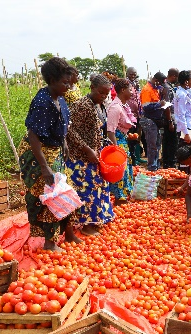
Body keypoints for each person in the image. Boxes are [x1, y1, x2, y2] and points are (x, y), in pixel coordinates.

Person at [18, 57, 81, 251]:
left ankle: (69, 234)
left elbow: (60, 125)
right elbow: (33, 135)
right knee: (51, 196)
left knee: (67, 191)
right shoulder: (42, 102)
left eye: (69, 82)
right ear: (52, 80)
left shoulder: (59, 97)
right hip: (39, 154)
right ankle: (50, 242)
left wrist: (64, 144)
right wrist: (44, 167)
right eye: (65, 82)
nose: (68, 86)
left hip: (55, 150)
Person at [66, 74, 115, 236]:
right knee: (87, 190)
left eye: (106, 94)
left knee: (97, 188)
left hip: (93, 155)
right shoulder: (82, 105)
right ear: (92, 88)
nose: (103, 97)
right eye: (101, 93)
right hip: (80, 158)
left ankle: (95, 220)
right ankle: (86, 225)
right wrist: (87, 149)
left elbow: (94, 129)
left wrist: (103, 143)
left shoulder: (96, 105)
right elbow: (70, 130)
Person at [106, 78, 136, 205]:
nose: (132, 92)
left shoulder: (124, 106)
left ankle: (123, 195)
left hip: (122, 140)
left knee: (125, 169)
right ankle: (119, 198)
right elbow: (110, 130)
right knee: (119, 169)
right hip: (117, 142)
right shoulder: (115, 107)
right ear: (123, 90)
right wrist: (115, 148)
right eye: (130, 89)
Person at [139, 72, 167, 171]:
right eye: (159, 84)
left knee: (157, 144)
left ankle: (156, 166)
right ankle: (152, 167)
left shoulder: (155, 89)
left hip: (155, 121)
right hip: (149, 120)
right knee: (152, 145)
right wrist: (160, 104)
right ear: (155, 81)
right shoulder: (147, 90)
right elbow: (146, 107)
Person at [125, 67, 146, 165]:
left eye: (134, 74)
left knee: (136, 137)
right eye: (131, 74)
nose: (133, 76)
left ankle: (135, 158)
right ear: (127, 74)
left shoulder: (136, 84)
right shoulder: (125, 84)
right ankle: (131, 159)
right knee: (130, 137)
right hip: (128, 115)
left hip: (137, 115)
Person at [162, 68, 179, 168]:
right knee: (171, 143)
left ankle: (168, 163)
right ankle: (169, 165)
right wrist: (170, 121)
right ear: (173, 76)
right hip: (169, 119)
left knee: (169, 142)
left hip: (171, 118)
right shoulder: (167, 88)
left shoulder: (168, 86)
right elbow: (166, 106)